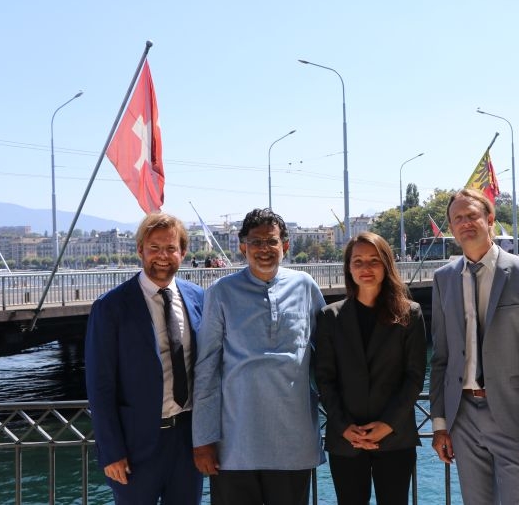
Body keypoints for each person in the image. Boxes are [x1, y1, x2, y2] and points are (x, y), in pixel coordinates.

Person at [429, 188, 519, 505]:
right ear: (451, 228)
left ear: (490, 219)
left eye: (471, 215)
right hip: (463, 417)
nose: (465, 223)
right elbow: (441, 357)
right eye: (457, 218)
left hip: (514, 416)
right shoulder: (443, 279)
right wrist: (440, 425)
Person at [192, 208, 325, 505]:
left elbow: (327, 359)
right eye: (256, 242)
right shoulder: (220, 292)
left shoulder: (305, 286)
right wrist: (203, 439)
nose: (264, 249)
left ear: (285, 246)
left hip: (295, 442)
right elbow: (206, 369)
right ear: (243, 247)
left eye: (272, 241)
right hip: (235, 446)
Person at [85, 212, 204, 504]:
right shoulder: (111, 307)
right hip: (135, 448)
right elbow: (100, 386)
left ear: (183, 252)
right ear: (140, 250)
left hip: (189, 442)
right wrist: (112, 452)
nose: (163, 256)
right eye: (155, 248)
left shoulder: (199, 298)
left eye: (171, 248)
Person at [315, 232, 426, 505]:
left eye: (374, 260)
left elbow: (414, 377)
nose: (366, 268)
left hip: (395, 436)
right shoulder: (330, 316)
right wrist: (343, 427)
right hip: (346, 439)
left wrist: (388, 424)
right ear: (349, 267)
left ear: (386, 264)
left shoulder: (409, 313)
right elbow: (324, 379)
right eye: (358, 261)